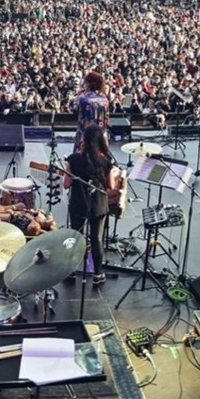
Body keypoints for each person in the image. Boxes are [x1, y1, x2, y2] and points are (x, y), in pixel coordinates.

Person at [63, 123, 117, 287]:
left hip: (78, 204)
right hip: (98, 205)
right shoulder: (105, 160)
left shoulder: (73, 159)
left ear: (84, 139)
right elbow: (111, 186)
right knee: (97, 239)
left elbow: (66, 184)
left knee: (75, 237)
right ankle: (98, 274)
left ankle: (70, 271)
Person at [75, 70, 110, 145]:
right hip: (101, 135)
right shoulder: (105, 99)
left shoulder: (83, 99)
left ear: (88, 84)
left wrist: (78, 96)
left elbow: (75, 110)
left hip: (86, 137)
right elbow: (106, 118)